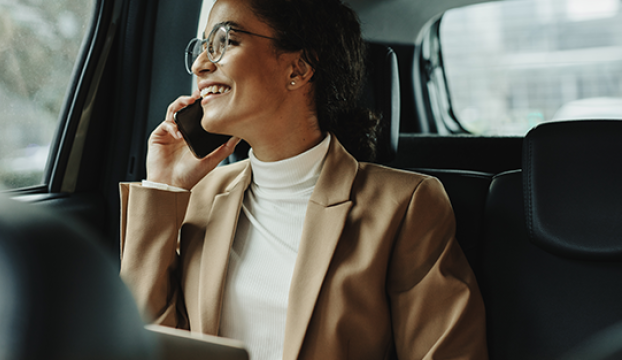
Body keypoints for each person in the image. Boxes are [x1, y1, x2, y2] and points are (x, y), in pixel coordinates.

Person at [119, 0, 489, 359]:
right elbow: (138, 341)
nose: (200, 65)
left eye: (224, 42)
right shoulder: (199, 197)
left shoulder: (405, 204)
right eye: (201, 48)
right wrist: (164, 185)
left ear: (298, 68)